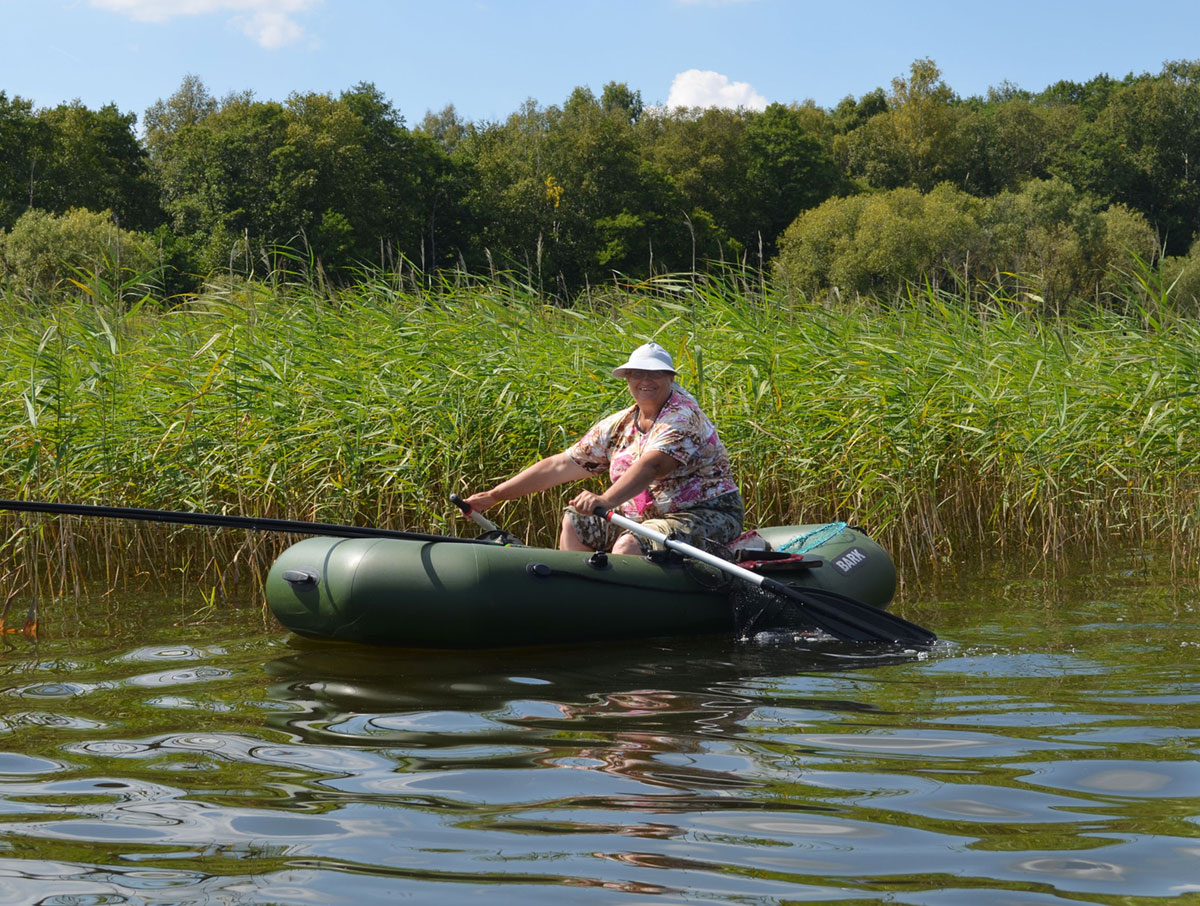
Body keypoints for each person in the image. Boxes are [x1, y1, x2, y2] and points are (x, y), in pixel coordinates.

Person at [463, 342, 744, 555]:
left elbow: (653, 466)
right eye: (637, 374)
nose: (645, 380)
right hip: (646, 518)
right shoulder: (619, 424)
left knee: (631, 543)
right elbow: (561, 465)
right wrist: (495, 495)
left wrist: (606, 500)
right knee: (575, 521)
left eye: (655, 374)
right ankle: (576, 597)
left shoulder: (683, 417)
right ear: (628, 379)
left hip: (706, 514)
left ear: (670, 378)